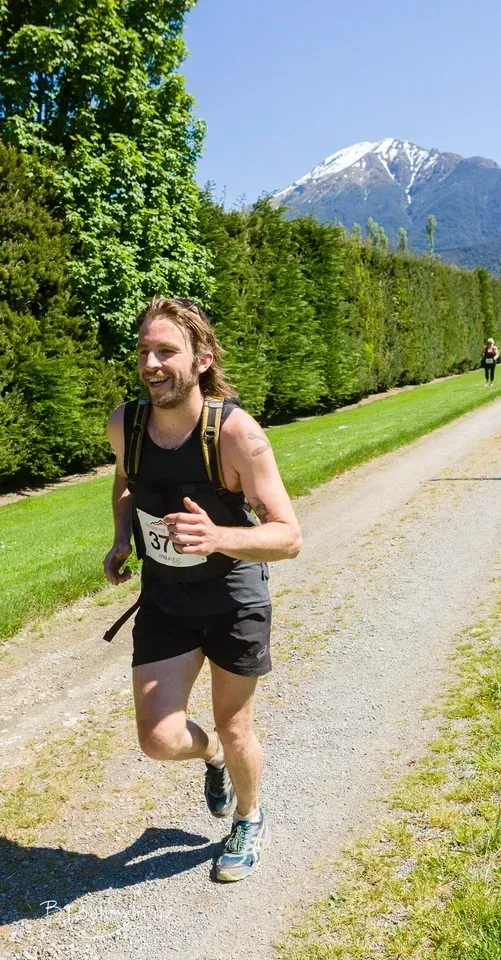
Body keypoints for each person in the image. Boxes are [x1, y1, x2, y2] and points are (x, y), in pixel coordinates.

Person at [103, 297, 302, 883]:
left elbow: (289, 536)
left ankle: (249, 817)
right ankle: (210, 756)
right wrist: (121, 539)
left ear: (201, 359)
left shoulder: (236, 434)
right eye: (144, 351)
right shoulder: (127, 425)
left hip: (231, 593)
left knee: (235, 721)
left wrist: (217, 535)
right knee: (160, 739)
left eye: (166, 350)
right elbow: (124, 479)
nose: (151, 362)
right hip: (165, 595)